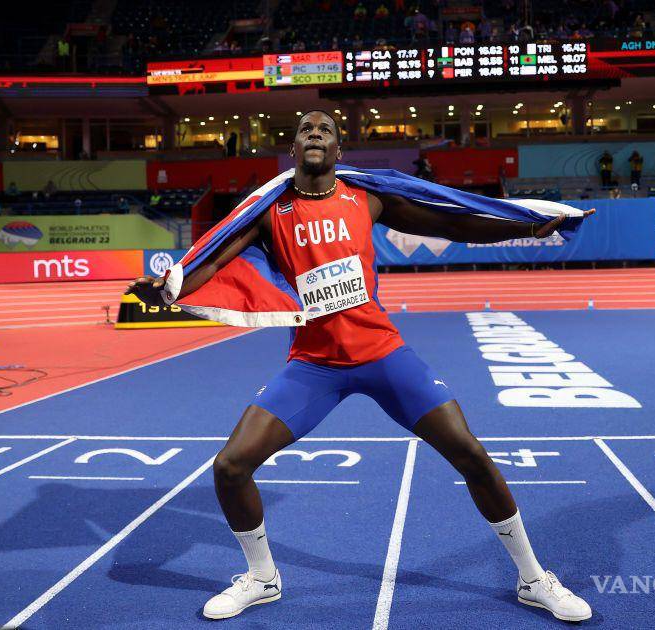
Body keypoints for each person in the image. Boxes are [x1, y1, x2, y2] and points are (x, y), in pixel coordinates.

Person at [127, 111, 595, 623]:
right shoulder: (270, 211)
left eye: (325, 130)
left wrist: (521, 224)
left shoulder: (365, 199)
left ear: (338, 151)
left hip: (382, 355)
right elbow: (213, 261)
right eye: (305, 128)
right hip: (314, 365)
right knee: (230, 467)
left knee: (471, 454)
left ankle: (533, 578)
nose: (314, 134)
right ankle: (262, 578)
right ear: (293, 147)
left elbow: (449, 220)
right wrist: (172, 288)